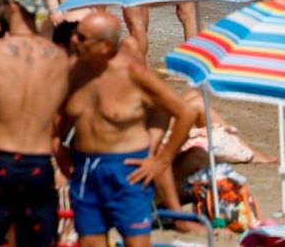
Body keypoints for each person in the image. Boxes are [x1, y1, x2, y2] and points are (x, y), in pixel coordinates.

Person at [61, 12, 197, 247]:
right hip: (85, 168)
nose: (74, 41)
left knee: (136, 243)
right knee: (90, 242)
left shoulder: (133, 74)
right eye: (76, 35)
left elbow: (184, 112)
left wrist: (162, 160)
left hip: (126, 169)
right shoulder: (74, 71)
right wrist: (60, 152)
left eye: (82, 38)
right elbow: (57, 117)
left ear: (106, 46)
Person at [0, 0, 69, 247]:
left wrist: (4, 112)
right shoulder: (58, 57)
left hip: (0, 157)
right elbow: (64, 111)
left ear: (11, 5)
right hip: (38, 161)